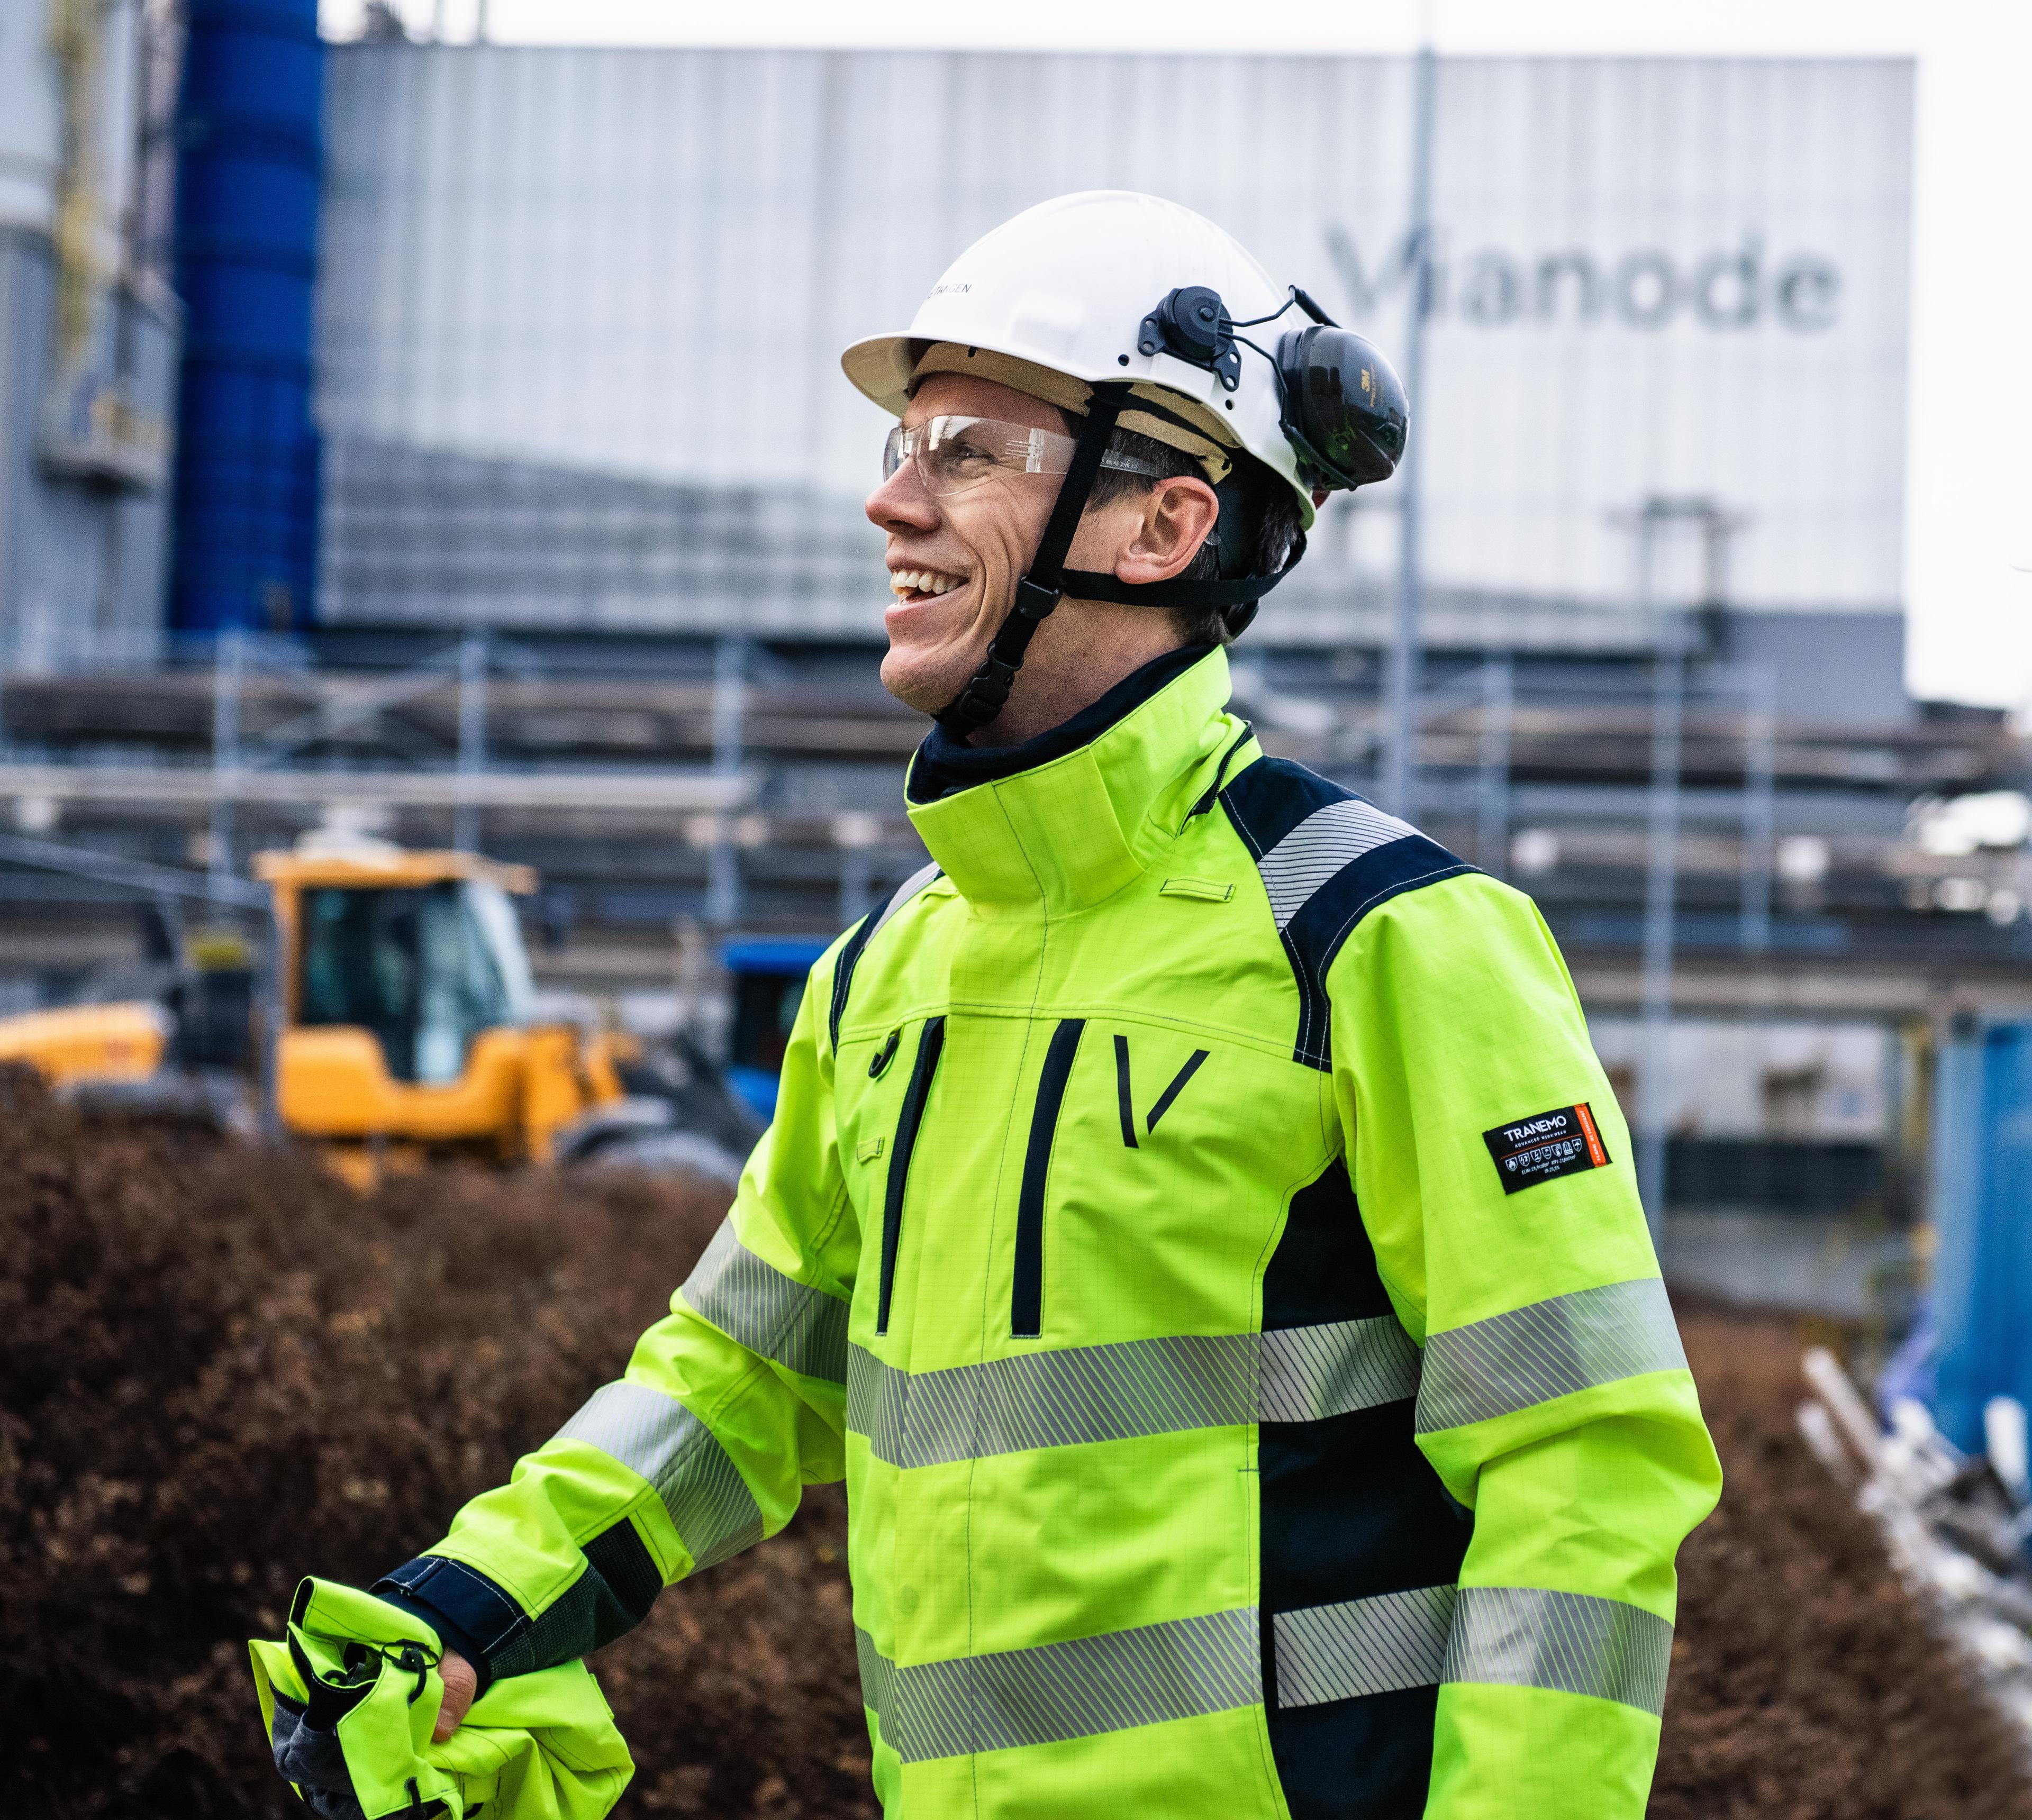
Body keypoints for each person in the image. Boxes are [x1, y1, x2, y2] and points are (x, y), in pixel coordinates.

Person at [342, 191, 1721, 1818]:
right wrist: (467, 1602)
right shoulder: (883, 981)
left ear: (1160, 527)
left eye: (965, 450)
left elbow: (1584, 1468)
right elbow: (733, 1379)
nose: (890, 501)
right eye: (904, 444)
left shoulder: (1388, 941)